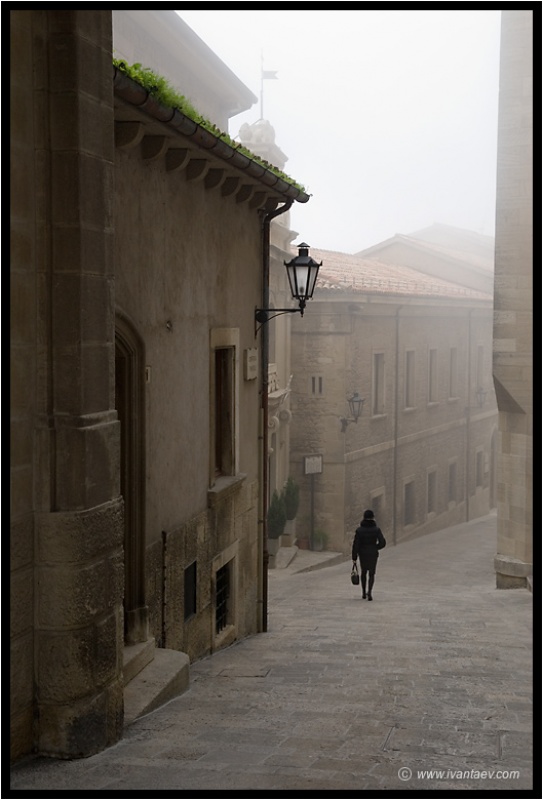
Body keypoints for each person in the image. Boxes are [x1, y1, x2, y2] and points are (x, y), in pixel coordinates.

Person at [351, 509, 386, 601]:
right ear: (373, 517)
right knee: (372, 573)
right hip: (373, 553)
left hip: (363, 553)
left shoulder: (359, 530)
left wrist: (354, 556)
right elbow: (382, 542)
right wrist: (375, 547)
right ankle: (369, 592)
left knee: (364, 572)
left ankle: (363, 592)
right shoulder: (376, 530)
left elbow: (356, 544)